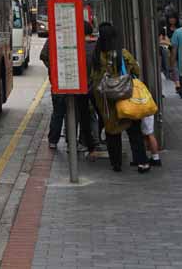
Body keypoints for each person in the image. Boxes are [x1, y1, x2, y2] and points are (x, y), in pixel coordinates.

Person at [90, 22, 150, 173]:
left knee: (112, 132)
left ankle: (116, 164)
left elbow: (93, 78)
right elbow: (136, 69)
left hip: (107, 102)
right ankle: (141, 161)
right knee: (134, 130)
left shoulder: (97, 56)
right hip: (125, 97)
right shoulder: (122, 53)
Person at [39, 21, 96, 153]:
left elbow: (43, 55)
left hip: (58, 81)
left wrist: (52, 68)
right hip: (73, 81)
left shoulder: (53, 38)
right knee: (74, 112)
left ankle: (54, 140)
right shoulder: (77, 41)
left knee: (58, 112)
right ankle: (73, 142)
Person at [159, 11, 179, 86]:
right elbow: (160, 41)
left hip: (179, 49)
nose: (172, 20)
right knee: (175, 67)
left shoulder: (179, 28)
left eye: (173, 18)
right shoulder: (165, 29)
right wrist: (169, 43)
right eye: (170, 18)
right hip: (170, 51)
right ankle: (178, 85)